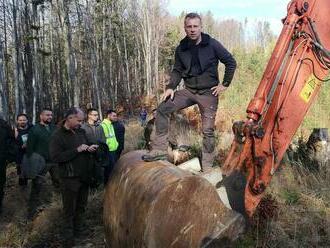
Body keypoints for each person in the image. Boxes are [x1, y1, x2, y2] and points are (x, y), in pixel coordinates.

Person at [142, 13, 237, 169]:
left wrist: (224, 84)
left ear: (201, 27)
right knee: (163, 108)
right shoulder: (181, 48)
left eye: (195, 26)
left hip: (208, 94)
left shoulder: (212, 44)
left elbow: (230, 62)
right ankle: (159, 149)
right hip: (189, 91)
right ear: (185, 28)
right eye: (189, 26)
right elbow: (177, 70)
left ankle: (207, 166)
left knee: (207, 131)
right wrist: (170, 87)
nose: (192, 30)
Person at [49, 107, 98, 245]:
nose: (80, 123)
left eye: (82, 121)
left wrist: (90, 148)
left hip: (84, 177)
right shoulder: (57, 136)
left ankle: (79, 233)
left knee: (81, 207)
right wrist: (76, 150)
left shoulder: (80, 132)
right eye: (79, 120)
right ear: (69, 118)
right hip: (69, 179)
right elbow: (55, 157)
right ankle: (68, 239)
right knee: (69, 210)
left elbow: (85, 145)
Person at [25, 108, 60, 218]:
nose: (49, 117)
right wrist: (31, 164)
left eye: (51, 115)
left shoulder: (54, 128)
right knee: (37, 186)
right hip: (40, 163)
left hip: (54, 161)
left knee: (59, 183)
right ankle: (31, 213)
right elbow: (29, 148)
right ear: (41, 116)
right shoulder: (34, 129)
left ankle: (59, 206)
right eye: (47, 115)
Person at [81, 108, 106, 187]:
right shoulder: (83, 127)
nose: (97, 116)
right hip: (87, 155)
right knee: (89, 173)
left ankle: (97, 187)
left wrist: (100, 148)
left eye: (97, 115)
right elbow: (81, 141)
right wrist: (88, 148)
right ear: (89, 115)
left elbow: (103, 139)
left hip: (99, 154)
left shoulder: (100, 127)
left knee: (99, 172)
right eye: (95, 115)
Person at [0, 116, 16, 214]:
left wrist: (9, 157)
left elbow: (11, 141)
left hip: (1, 161)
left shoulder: (4, 125)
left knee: (0, 183)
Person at [101, 109, 119, 184]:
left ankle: (111, 183)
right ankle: (107, 185)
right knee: (109, 169)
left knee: (112, 168)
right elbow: (103, 139)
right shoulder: (104, 125)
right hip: (108, 151)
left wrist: (116, 144)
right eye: (114, 116)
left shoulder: (111, 124)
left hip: (113, 149)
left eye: (116, 116)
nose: (116, 117)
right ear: (108, 115)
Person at [15, 113, 33, 186]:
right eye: (20, 120)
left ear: (27, 120)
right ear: (17, 121)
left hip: (31, 154)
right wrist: (21, 146)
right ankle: (22, 188)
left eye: (24, 120)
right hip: (20, 155)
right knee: (22, 174)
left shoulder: (32, 128)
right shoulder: (15, 131)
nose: (22, 121)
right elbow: (12, 145)